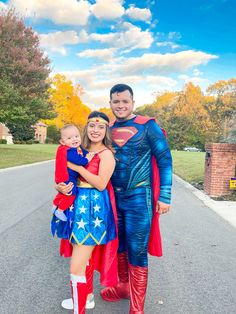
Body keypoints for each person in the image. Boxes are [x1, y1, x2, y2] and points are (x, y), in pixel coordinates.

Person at [58, 84, 172, 314]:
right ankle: (122, 287)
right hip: (110, 198)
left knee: (136, 249)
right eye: (116, 101)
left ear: (133, 102)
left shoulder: (147, 126)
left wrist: (166, 195)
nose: (120, 105)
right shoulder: (105, 128)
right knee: (117, 245)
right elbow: (83, 154)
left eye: (125, 101)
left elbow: (164, 159)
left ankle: (137, 308)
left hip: (140, 196)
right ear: (110, 103)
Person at [55, 111, 118, 314]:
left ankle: (79, 309)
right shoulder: (78, 149)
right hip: (76, 206)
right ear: (86, 128)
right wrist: (60, 187)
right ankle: (85, 298)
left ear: (106, 130)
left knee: (76, 267)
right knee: (83, 260)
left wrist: (77, 168)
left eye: (100, 127)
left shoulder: (106, 154)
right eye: (92, 126)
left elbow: (100, 184)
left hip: (92, 210)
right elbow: (63, 174)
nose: (95, 130)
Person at [52, 124, 94, 222]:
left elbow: (82, 150)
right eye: (69, 138)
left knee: (62, 194)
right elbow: (79, 161)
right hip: (68, 177)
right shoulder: (69, 151)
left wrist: (86, 152)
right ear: (63, 142)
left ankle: (55, 205)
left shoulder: (72, 148)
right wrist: (87, 159)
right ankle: (60, 210)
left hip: (65, 176)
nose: (74, 139)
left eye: (76, 136)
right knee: (71, 193)